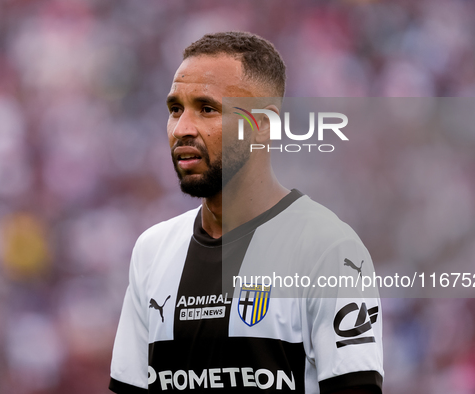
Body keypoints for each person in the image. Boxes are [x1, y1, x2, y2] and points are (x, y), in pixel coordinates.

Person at [109, 31, 383, 394]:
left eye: (207, 108)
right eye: (176, 109)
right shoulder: (152, 251)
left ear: (263, 126)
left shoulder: (328, 250)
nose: (182, 129)